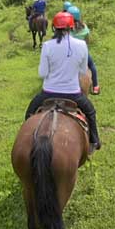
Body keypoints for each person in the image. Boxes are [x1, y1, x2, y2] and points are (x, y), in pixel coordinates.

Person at [25, 11, 101, 152]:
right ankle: (94, 141)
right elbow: (83, 71)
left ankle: (27, 141)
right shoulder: (81, 45)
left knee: (29, 112)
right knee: (90, 112)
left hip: (48, 93)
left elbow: (42, 73)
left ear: (54, 27)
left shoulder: (47, 46)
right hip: (73, 93)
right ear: (72, 27)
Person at [67, 5, 100, 95]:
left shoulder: (68, 29)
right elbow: (87, 40)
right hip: (83, 52)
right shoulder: (84, 27)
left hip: (70, 53)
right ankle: (95, 86)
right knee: (92, 66)